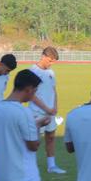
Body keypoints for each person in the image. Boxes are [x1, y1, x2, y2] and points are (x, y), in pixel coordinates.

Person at [28, 46, 65, 174]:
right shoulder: (32, 72)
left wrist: (55, 107)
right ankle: (29, 166)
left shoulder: (51, 73)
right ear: (43, 56)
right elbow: (30, 95)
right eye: (50, 60)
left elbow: (53, 90)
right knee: (34, 141)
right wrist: (46, 108)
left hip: (50, 112)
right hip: (37, 112)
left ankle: (52, 166)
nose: (51, 63)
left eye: (53, 61)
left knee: (51, 138)